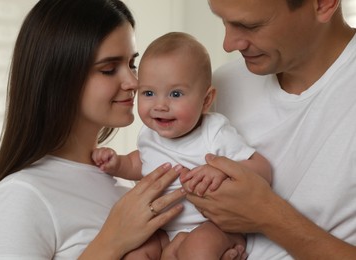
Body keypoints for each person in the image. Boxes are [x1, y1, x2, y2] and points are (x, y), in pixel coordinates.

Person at [0, 0, 190, 259]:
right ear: (60, 77)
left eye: (132, 64)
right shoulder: (21, 196)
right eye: (109, 69)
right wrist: (112, 242)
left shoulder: (122, 181)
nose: (133, 82)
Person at [176, 0, 356, 259]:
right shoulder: (217, 88)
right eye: (223, 21)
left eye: (249, 25)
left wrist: (269, 217)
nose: (228, 44)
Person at [93, 32, 271, 259]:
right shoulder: (149, 134)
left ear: (206, 100)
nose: (160, 105)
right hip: (164, 229)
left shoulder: (213, 131)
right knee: (134, 255)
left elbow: (262, 168)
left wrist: (220, 170)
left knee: (199, 249)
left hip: (213, 227)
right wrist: (118, 163)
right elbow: (139, 163)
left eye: (175, 94)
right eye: (148, 93)